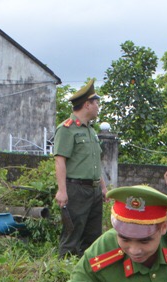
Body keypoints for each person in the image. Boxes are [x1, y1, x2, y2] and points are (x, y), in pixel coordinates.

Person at [53, 79, 106, 257]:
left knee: (93, 237)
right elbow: (60, 160)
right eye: (96, 103)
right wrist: (62, 191)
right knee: (72, 236)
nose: (98, 107)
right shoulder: (66, 129)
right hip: (76, 189)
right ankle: (63, 275)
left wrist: (103, 187)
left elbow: (94, 161)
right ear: (87, 105)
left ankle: (88, 275)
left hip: (94, 189)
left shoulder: (91, 130)